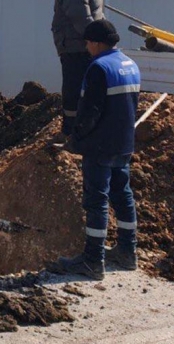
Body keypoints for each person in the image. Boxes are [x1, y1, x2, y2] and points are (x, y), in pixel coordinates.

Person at [51, 20, 140, 281]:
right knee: (122, 195)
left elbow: (90, 111)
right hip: (124, 143)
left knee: (97, 201)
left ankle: (92, 260)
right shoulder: (129, 64)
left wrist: (75, 139)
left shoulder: (99, 68)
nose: (87, 47)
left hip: (100, 146)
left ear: (98, 43)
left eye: (89, 43)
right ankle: (127, 251)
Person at [42, 0, 105, 141]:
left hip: (77, 50)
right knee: (83, 90)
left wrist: (92, 43)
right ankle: (82, 129)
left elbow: (82, 21)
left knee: (73, 90)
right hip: (83, 48)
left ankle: (71, 132)